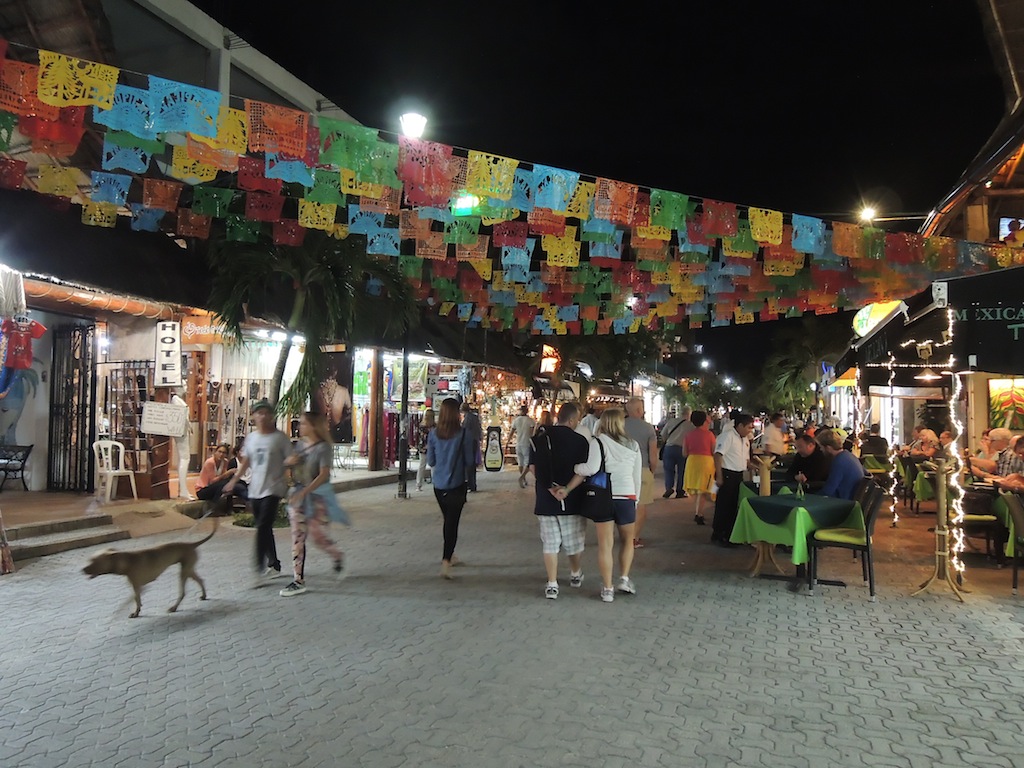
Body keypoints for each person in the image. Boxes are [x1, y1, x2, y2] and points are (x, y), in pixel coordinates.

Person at [554, 407, 642, 603]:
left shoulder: (598, 442)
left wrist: (576, 467)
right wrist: (635, 500)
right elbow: (637, 476)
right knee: (628, 540)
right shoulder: (634, 445)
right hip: (627, 495)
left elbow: (591, 468)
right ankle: (624, 579)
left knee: (606, 545)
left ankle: (607, 588)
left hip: (605, 497)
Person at [278, 412, 348, 597]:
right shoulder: (300, 445)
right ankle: (298, 579)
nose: (300, 426)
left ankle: (337, 555)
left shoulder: (323, 448)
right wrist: (288, 463)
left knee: (318, 537)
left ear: (313, 426)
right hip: (298, 497)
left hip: (316, 498)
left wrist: (306, 491)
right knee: (298, 538)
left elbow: (324, 474)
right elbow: (290, 467)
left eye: (303, 423)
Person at [224, 399, 293, 581]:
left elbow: (292, 457)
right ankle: (274, 564)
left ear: (271, 416)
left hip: (274, 488)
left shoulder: (280, 437)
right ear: (253, 416)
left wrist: (287, 469)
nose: (262, 416)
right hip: (256, 488)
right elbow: (246, 460)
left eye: (266, 413)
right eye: (258, 413)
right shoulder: (252, 438)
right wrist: (234, 481)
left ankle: (258, 568)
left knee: (262, 526)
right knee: (265, 527)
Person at [528, 402, 590, 599]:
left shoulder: (540, 438)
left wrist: (550, 488)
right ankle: (575, 573)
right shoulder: (581, 441)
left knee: (550, 543)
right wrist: (566, 489)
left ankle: (552, 583)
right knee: (574, 541)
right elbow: (583, 471)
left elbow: (533, 468)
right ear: (572, 419)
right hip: (572, 499)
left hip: (546, 500)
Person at [427, 398, 476, 579]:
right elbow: (470, 462)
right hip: (456, 484)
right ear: (457, 414)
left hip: (438, 486)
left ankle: (451, 555)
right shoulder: (464, 434)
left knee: (448, 521)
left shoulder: (432, 434)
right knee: (452, 524)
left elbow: (431, 461)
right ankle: (446, 562)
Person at [711, 412, 756, 546]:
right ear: (740, 425)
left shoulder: (745, 440)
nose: (750, 430)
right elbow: (718, 456)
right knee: (724, 505)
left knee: (733, 505)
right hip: (727, 474)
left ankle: (729, 533)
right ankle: (719, 534)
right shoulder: (727, 436)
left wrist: (755, 467)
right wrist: (719, 476)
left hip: (738, 475)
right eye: (749, 427)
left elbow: (745, 459)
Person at [624, 397, 657, 548]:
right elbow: (653, 455)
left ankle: (625, 535)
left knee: (624, 505)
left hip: (622, 470)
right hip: (642, 469)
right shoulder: (648, 428)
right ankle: (634, 538)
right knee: (641, 506)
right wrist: (652, 470)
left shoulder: (619, 426)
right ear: (639, 410)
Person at [682, 410, 717, 525]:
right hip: (706, 462)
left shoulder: (688, 435)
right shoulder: (709, 435)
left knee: (697, 489)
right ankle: (699, 513)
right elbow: (714, 451)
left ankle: (699, 511)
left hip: (692, 462)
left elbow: (684, 453)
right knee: (706, 488)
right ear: (704, 420)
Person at [816, 428, 869, 500]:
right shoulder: (849, 456)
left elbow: (828, 491)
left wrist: (810, 497)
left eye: (821, 447)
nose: (820, 450)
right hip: (852, 499)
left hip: (842, 503)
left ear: (828, 448)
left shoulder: (839, 462)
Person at [660, 406, 692, 499]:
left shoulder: (671, 421)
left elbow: (663, 435)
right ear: (689, 414)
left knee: (668, 470)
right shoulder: (690, 425)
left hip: (669, 448)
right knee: (682, 471)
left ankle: (669, 487)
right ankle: (680, 490)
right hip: (682, 449)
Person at [195, 443, 235, 511]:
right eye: (219, 452)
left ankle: (229, 508)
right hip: (203, 489)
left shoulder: (225, 462)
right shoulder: (210, 462)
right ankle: (214, 504)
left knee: (229, 483)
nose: (221, 454)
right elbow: (212, 481)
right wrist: (226, 474)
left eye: (224, 453)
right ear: (215, 452)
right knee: (224, 483)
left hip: (215, 488)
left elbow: (224, 478)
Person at [510, 405, 536, 488]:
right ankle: (522, 477)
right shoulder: (530, 421)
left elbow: (512, 432)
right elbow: (532, 433)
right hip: (527, 443)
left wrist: (508, 441)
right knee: (528, 462)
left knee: (520, 462)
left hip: (518, 443)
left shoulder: (516, 420)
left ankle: (523, 478)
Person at [415, 409, 435, 491]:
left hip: (422, 448)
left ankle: (418, 484)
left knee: (421, 466)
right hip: (432, 447)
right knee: (433, 466)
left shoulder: (421, 426)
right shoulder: (434, 426)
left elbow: (419, 438)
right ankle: (435, 484)